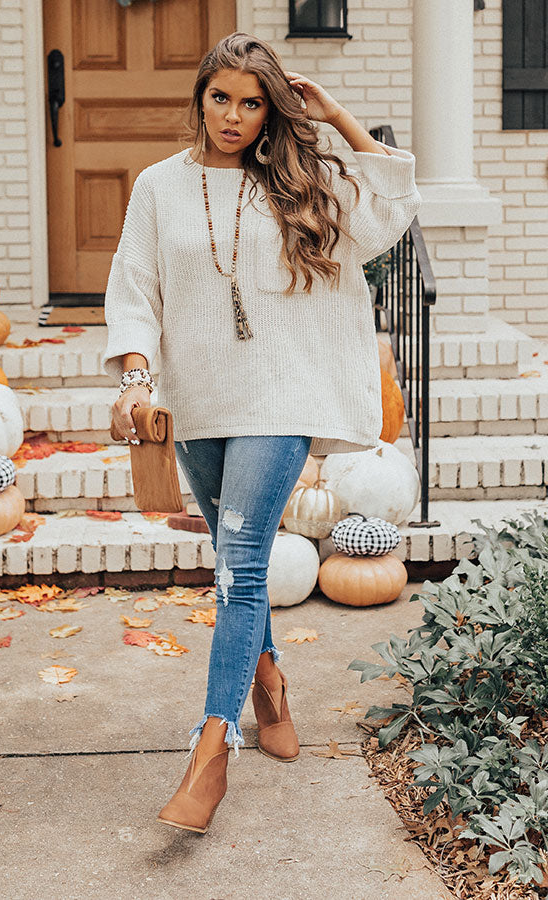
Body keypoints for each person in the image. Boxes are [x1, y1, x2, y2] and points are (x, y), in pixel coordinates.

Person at [101, 32, 421, 834]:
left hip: (282, 401)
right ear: (199, 97)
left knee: (242, 564)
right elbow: (135, 289)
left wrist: (336, 115)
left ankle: (212, 752)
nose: (234, 117)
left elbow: (389, 203)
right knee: (230, 558)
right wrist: (136, 380)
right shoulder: (157, 188)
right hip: (197, 404)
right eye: (221, 98)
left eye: (252, 102)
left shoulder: (303, 181)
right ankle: (270, 681)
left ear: (271, 107)